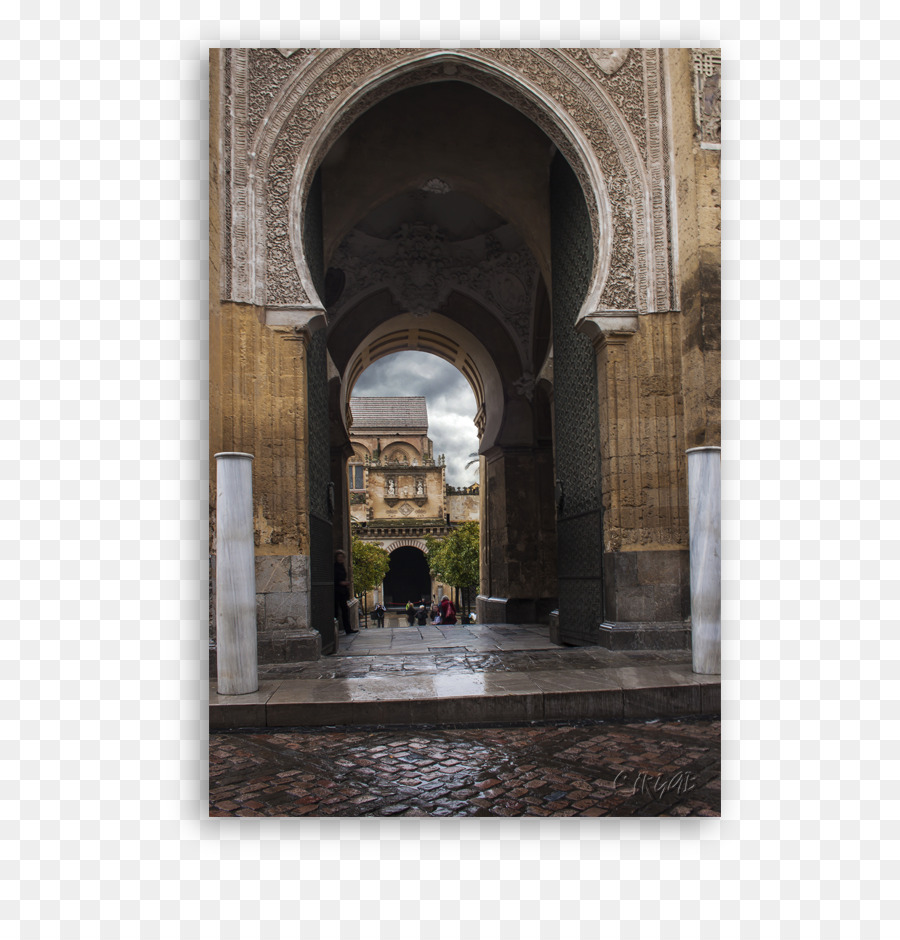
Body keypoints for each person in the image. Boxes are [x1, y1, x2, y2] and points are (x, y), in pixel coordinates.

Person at [334, 550, 357, 635]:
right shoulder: (335, 567)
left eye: (342, 557)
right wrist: (342, 583)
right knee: (336, 611)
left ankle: (348, 629)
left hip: (342, 592)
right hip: (337, 592)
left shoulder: (342, 566)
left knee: (344, 611)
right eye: (339, 557)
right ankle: (335, 630)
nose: (340, 558)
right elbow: (335, 579)